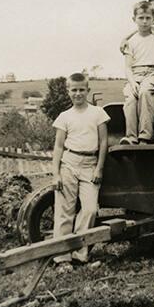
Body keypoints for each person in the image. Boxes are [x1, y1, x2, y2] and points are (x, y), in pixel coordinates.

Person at [51, 72, 110, 270]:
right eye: (73, 90)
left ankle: (79, 254)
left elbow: (103, 143)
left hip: (90, 165)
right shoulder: (64, 117)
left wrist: (99, 169)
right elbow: (58, 147)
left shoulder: (98, 113)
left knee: (90, 209)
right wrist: (56, 173)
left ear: (88, 90)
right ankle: (62, 259)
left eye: (81, 90)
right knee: (64, 212)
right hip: (68, 163)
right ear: (68, 91)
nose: (78, 94)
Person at [120, 1, 154, 145]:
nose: (144, 22)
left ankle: (145, 135)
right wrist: (132, 83)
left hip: (153, 73)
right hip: (135, 74)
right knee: (130, 98)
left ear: (153, 19)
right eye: (141, 18)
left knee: (145, 93)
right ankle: (131, 137)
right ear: (134, 19)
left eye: (148, 18)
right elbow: (127, 67)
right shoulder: (130, 42)